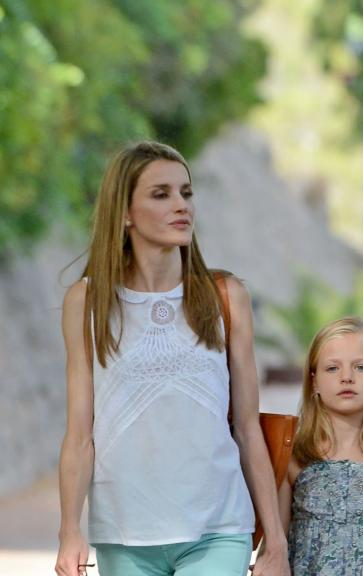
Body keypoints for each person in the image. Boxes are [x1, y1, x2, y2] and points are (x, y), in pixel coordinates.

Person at [55, 142, 289, 575]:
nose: (181, 206)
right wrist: (69, 531)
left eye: (186, 193)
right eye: (161, 194)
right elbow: (79, 436)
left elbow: (247, 427)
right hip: (124, 534)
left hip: (217, 527)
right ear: (124, 212)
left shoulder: (226, 297)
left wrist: (275, 540)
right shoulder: (87, 303)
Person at [279, 317, 363, 575]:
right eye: (332, 368)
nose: (346, 377)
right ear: (314, 381)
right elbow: (275, 547)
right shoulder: (293, 459)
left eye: (361, 368)